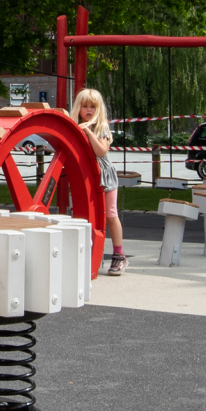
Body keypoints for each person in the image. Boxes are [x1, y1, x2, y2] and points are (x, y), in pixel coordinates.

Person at [72, 86, 127, 275]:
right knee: (86, 215)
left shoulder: (101, 127)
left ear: (99, 109)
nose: (89, 110)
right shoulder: (75, 127)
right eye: (85, 106)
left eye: (93, 107)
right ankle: (85, 255)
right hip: (87, 176)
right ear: (78, 108)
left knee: (110, 215)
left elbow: (101, 151)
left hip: (105, 176)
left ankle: (119, 256)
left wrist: (88, 132)